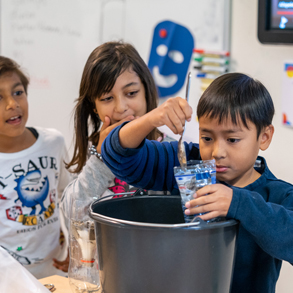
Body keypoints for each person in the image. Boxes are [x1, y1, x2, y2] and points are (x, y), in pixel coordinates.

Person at [100, 72, 293, 292]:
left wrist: (237, 202)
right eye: (207, 138)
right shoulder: (186, 164)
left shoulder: (279, 194)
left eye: (232, 140)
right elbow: (117, 156)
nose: (217, 152)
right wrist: (151, 118)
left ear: (264, 137)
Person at [61, 41, 173, 221]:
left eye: (131, 93)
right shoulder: (92, 154)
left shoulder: (171, 150)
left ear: (147, 92)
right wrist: (102, 156)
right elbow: (72, 216)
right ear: (94, 107)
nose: (121, 108)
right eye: (107, 98)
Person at [0, 56, 71, 279]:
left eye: (18, 92)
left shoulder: (53, 143)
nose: (12, 104)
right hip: (8, 277)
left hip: (55, 268)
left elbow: (69, 197)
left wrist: (74, 247)